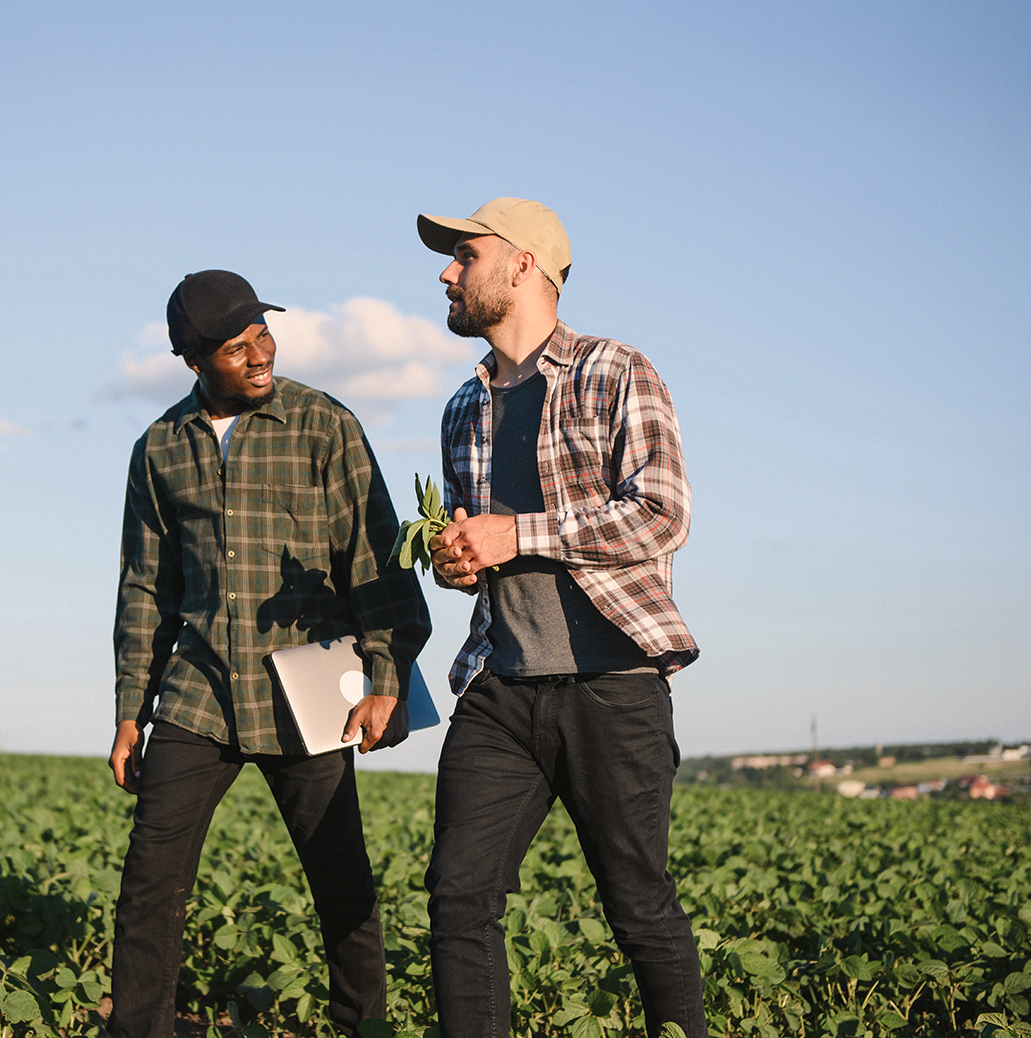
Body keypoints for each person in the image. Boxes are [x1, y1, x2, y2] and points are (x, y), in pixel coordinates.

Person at [108, 269, 432, 1038]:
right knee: (150, 880)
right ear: (192, 360)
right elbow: (145, 589)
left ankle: (362, 1029)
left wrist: (386, 677)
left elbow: (375, 559)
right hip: (198, 692)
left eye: (263, 334)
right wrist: (129, 713)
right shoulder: (158, 449)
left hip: (307, 692)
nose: (260, 354)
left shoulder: (324, 424)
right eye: (235, 347)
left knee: (340, 879)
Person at [415, 199, 707, 1038]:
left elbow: (660, 515)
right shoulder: (461, 407)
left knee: (637, 905)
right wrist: (458, 562)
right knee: (457, 900)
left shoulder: (614, 370)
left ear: (523, 265)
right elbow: (483, 551)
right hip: (501, 686)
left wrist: (514, 533)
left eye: (464, 256)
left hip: (613, 684)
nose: (446, 274)